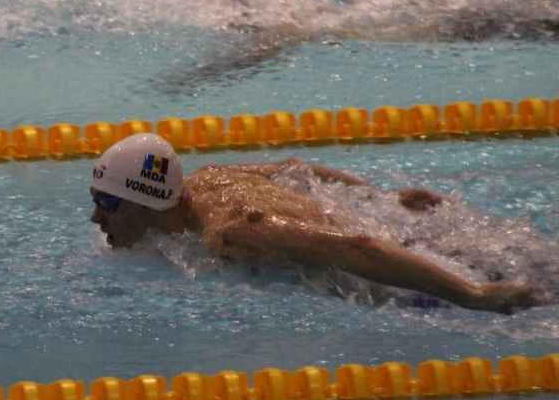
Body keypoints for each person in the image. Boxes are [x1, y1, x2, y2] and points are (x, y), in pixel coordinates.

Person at [89, 133, 543, 314]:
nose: (96, 217)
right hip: (413, 237)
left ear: (145, 202)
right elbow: (296, 166)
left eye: (107, 203)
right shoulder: (210, 180)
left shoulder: (232, 230)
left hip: (420, 269)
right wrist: (383, 197)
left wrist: (475, 295)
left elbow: (358, 248)